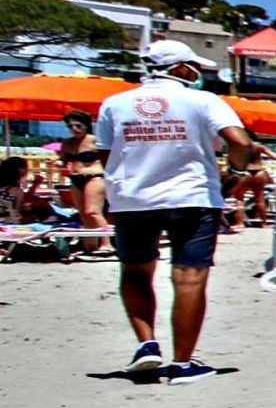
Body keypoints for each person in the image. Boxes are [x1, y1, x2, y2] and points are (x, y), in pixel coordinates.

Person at [97, 40, 258, 382]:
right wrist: (236, 173)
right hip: (191, 196)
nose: (197, 73)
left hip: (133, 199)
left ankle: (147, 345)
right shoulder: (203, 100)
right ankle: (183, 364)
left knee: (136, 272)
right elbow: (242, 142)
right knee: (189, 278)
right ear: (181, 69)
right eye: (194, 67)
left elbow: (107, 156)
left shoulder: (114, 104)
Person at [54, 112, 109, 252]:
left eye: (78, 126)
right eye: (70, 126)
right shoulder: (67, 143)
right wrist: (58, 163)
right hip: (75, 178)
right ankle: (90, 245)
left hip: (94, 177)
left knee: (93, 212)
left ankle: (106, 243)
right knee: (83, 214)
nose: (74, 129)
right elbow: (63, 160)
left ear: (86, 125)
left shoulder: (95, 140)